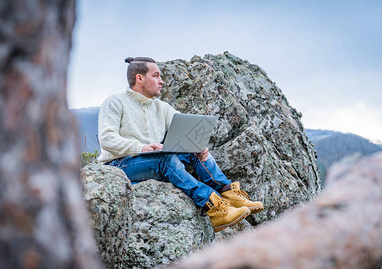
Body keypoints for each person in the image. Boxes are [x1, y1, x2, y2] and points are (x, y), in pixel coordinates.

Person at [98, 57, 263, 232]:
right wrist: (141, 147)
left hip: (149, 160)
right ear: (140, 78)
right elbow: (107, 138)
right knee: (166, 160)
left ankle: (228, 192)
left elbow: (186, 128)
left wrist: (197, 145)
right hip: (119, 165)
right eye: (156, 76)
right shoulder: (115, 101)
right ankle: (215, 208)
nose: (161, 81)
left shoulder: (161, 107)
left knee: (194, 151)